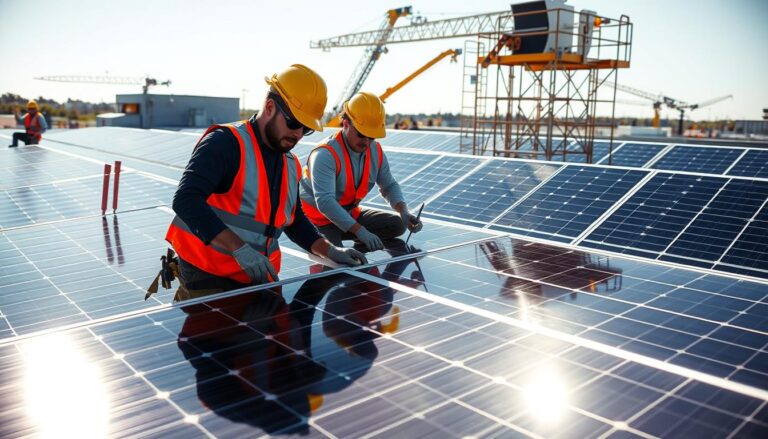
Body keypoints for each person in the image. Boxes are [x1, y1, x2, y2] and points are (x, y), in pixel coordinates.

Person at [165, 64, 367, 300]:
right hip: (207, 276)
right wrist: (239, 249)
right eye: (293, 123)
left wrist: (331, 250)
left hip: (259, 275)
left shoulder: (289, 163)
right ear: (270, 107)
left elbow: (294, 221)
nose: (298, 134)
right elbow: (186, 200)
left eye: (307, 129)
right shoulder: (225, 143)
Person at [299, 92, 423, 252]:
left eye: (371, 136)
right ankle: (342, 238)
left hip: (350, 214)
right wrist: (360, 231)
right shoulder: (325, 154)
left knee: (397, 225)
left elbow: (389, 185)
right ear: (345, 124)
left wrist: (404, 212)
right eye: (361, 134)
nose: (366, 141)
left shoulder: (375, 151)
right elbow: (325, 202)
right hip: (319, 220)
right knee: (338, 258)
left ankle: (354, 233)